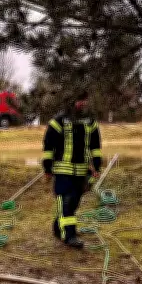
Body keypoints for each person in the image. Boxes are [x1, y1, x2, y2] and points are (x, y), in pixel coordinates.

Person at [42, 91, 102, 249]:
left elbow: (95, 147)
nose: (82, 103)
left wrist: (97, 166)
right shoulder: (58, 121)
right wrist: (47, 168)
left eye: (84, 99)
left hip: (81, 172)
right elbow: (48, 146)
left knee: (73, 203)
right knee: (66, 202)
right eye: (78, 100)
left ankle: (58, 226)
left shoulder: (90, 122)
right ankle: (69, 236)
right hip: (63, 171)